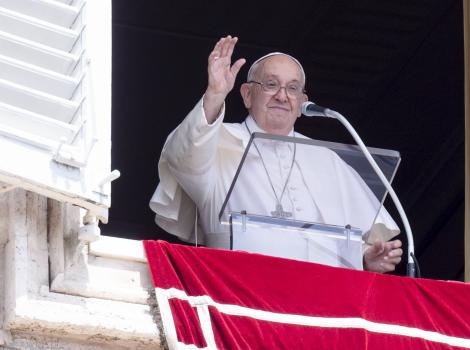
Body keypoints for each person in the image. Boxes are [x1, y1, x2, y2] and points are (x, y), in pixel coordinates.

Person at [150, 35, 403, 273]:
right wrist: (215, 94)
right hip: (237, 286)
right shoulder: (217, 142)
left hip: (320, 298)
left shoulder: (326, 159)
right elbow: (182, 156)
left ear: (303, 102)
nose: (282, 96)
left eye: (292, 89)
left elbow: (344, 240)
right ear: (247, 94)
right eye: (271, 85)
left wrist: (364, 258)